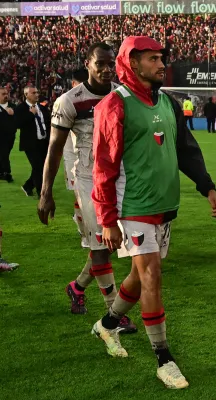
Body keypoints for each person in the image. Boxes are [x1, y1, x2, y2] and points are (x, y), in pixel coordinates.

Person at [90, 36, 216, 388]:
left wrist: (207, 186)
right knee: (152, 275)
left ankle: (106, 325)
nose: (162, 64)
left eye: (161, 58)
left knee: (140, 275)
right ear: (132, 63)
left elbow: (186, 148)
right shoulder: (114, 105)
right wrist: (107, 220)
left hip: (164, 205)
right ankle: (164, 358)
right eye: (153, 58)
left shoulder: (167, 101)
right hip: (133, 206)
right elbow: (103, 166)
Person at [37, 43, 135, 333]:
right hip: (88, 180)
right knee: (102, 246)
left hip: (120, 177)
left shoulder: (123, 95)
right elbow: (54, 148)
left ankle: (78, 286)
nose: (106, 70)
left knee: (113, 243)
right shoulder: (69, 101)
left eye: (110, 64)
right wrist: (45, 192)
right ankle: (114, 314)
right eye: (99, 64)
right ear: (87, 64)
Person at [16, 86, 51, 197]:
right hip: (30, 144)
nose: (37, 94)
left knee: (42, 167)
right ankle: (42, 193)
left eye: (37, 92)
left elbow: (48, 123)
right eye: (33, 93)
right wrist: (31, 114)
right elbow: (17, 124)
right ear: (26, 95)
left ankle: (28, 186)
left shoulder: (42, 107)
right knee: (38, 167)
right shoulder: (21, 108)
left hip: (43, 142)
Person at [0, 86, 15, 183]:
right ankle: (7, 172)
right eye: (3, 94)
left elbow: (18, 121)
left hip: (10, 136)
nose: (6, 96)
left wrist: (14, 114)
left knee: (5, 153)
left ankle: (1, 172)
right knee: (4, 153)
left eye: (7, 93)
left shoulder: (13, 106)